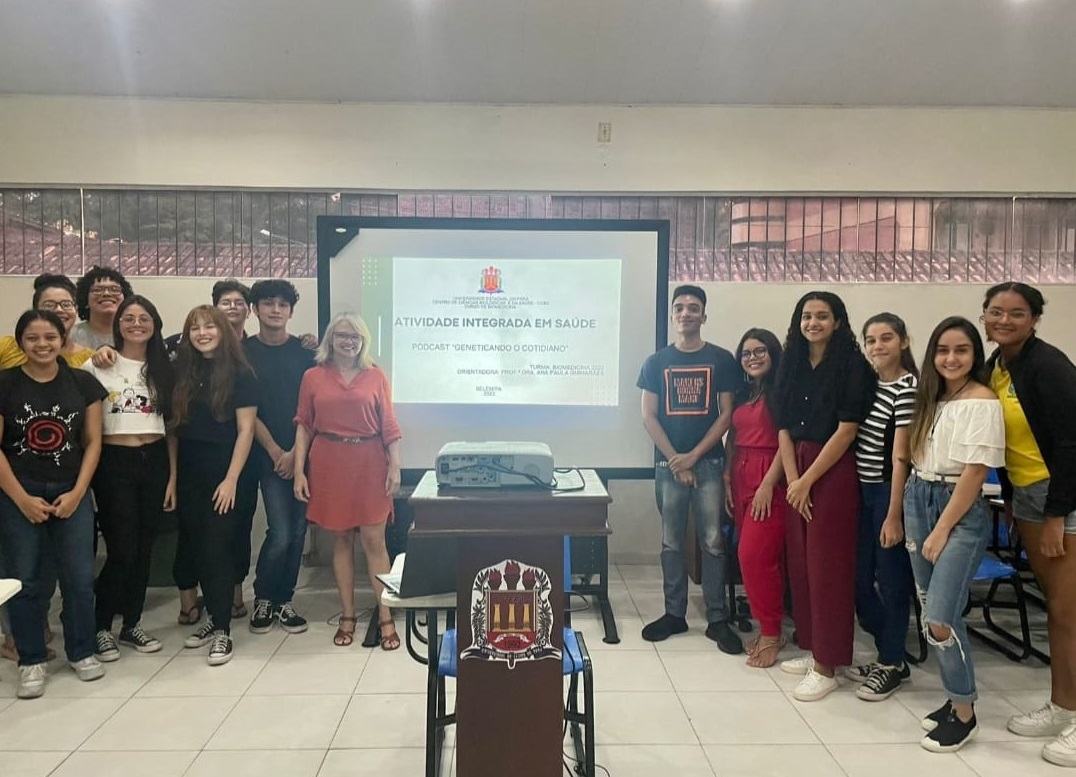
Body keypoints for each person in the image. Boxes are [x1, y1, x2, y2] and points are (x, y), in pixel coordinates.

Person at [981, 283, 1076, 767]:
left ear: (1035, 319)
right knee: (1061, 609)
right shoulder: (997, 367)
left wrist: (1059, 513)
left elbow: (1070, 442)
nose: (1005, 320)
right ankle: (1063, 706)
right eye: (996, 311)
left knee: (1068, 610)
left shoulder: (1049, 366)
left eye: (1017, 313)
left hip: (1061, 497)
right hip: (1028, 496)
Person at [904, 316, 1004, 753]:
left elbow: (976, 471)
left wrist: (942, 528)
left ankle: (965, 714)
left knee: (941, 615)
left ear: (974, 355)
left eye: (961, 350)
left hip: (956, 508)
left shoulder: (982, 401)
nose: (951, 358)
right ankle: (954, 698)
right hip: (918, 496)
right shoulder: (932, 398)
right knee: (931, 612)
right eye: (942, 350)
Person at [773, 290, 875, 701]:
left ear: (837, 321)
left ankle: (827, 665)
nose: (813, 323)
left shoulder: (852, 365)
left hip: (831, 470)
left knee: (827, 568)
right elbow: (782, 425)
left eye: (822, 316)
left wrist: (808, 480)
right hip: (796, 467)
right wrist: (794, 479)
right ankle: (814, 646)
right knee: (801, 565)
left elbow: (847, 429)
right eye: (807, 316)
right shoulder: (792, 362)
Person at [0, 310, 107, 698]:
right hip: (19, 490)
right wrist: (21, 499)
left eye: (50, 337)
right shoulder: (6, 383)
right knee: (25, 579)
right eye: (33, 338)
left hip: (71, 489)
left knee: (79, 578)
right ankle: (31, 660)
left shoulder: (83, 383)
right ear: (21, 342)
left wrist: (79, 493)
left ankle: (81, 651)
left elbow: (93, 441)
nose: (42, 345)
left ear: (63, 340)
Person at [636, 284, 743, 654]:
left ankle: (717, 619)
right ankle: (674, 615)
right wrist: (675, 460)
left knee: (713, 542)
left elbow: (727, 414)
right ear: (672, 315)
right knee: (671, 542)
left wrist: (693, 457)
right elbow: (648, 417)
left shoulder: (722, 359)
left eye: (693, 308)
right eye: (679, 307)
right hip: (668, 467)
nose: (686, 313)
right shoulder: (656, 362)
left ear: (703, 315)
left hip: (709, 465)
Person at [293, 313, 402, 650]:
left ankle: (385, 616)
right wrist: (299, 470)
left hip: (370, 462)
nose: (348, 341)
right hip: (329, 463)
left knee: (375, 544)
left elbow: (389, 425)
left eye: (355, 336)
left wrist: (395, 465)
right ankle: (348, 615)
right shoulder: (312, 376)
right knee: (339, 543)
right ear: (331, 338)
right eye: (342, 335)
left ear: (364, 341)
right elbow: (304, 425)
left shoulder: (375, 376)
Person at [81, 295, 176, 661]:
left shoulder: (163, 369)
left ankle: (131, 623)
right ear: (118, 322)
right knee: (121, 549)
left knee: (144, 547)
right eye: (129, 317)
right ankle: (100, 625)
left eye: (144, 317)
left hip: (153, 458)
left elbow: (170, 427)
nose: (136, 323)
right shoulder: (99, 364)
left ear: (155, 324)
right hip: (114, 461)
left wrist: (171, 477)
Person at [171, 305, 258, 666]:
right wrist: (174, 478)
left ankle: (222, 631)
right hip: (190, 473)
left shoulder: (241, 373)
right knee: (197, 548)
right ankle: (213, 619)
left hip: (227, 473)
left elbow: (246, 431)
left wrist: (231, 479)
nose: (202, 332)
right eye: (195, 327)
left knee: (218, 548)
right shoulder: (182, 371)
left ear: (223, 330)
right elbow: (174, 430)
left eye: (209, 326)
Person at [846, 313, 918, 701]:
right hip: (862, 491)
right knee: (858, 580)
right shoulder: (871, 384)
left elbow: (901, 456)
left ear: (904, 341)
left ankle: (891, 663)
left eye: (886, 338)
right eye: (871, 340)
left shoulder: (907, 388)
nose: (878, 347)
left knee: (892, 583)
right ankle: (891, 651)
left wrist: (894, 514)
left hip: (889, 494)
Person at [244, 279, 314, 635]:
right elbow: (245, 410)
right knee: (281, 531)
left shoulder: (305, 352)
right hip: (267, 456)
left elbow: (316, 406)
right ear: (255, 309)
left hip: (306, 454)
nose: (275, 309)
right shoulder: (243, 351)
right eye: (268, 303)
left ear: (290, 311)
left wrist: (297, 455)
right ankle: (264, 597)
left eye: (282, 304)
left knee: (299, 531)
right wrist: (276, 452)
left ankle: (285, 601)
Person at [723, 328, 786, 667]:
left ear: (773, 353)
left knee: (754, 557)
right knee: (749, 557)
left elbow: (786, 440)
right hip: (739, 475)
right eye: (746, 353)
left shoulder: (781, 392)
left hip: (769, 479)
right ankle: (768, 628)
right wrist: (725, 478)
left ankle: (773, 633)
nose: (753, 357)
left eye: (760, 350)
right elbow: (733, 436)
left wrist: (767, 483)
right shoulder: (744, 392)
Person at [0, 273, 94, 370]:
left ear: (76, 309)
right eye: (49, 305)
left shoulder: (89, 359)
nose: (59, 310)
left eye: (66, 304)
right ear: (36, 309)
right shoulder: (7, 347)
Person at [71, 267, 133, 350]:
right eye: (97, 290)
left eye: (114, 289)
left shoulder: (134, 334)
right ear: (85, 298)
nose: (106, 293)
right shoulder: (71, 335)